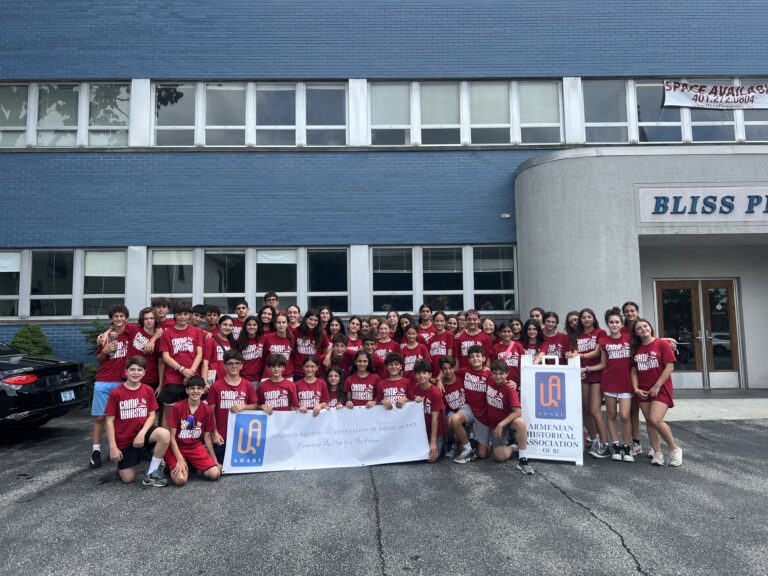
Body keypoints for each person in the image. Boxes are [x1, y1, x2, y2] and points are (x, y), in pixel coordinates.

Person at [104, 356, 170, 486]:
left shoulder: (148, 390)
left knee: (164, 434)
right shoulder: (116, 393)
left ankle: (152, 472)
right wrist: (113, 447)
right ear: (126, 372)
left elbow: (152, 415)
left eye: (139, 370)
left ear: (144, 372)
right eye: (132, 369)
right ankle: (124, 463)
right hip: (125, 440)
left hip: (142, 434)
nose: (136, 373)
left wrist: (142, 433)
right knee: (128, 479)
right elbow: (109, 422)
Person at [631, 319, 682, 467]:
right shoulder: (636, 349)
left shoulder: (661, 344)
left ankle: (674, 449)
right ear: (636, 332)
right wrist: (636, 389)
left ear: (650, 327)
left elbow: (669, 367)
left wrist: (657, 385)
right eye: (639, 328)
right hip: (643, 389)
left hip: (660, 388)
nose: (643, 329)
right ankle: (657, 452)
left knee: (655, 419)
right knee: (649, 422)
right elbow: (633, 371)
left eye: (645, 326)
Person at [89, 304, 132, 469]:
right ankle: (96, 451)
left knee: (120, 418)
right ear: (111, 319)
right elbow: (99, 360)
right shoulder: (105, 338)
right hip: (104, 380)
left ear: (126, 318)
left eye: (122, 316)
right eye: (116, 316)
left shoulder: (131, 333)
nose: (119, 319)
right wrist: (105, 350)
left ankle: (119, 447)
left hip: (122, 381)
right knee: (100, 417)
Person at [590, 307, 635, 462]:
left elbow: (648, 340)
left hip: (626, 383)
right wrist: (586, 368)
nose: (614, 325)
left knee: (624, 415)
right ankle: (615, 445)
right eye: (611, 322)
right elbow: (602, 363)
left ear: (621, 323)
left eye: (617, 322)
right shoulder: (603, 341)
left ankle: (627, 446)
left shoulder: (629, 338)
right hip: (609, 382)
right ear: (607, 324)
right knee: (611, 415)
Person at [567, 308, 609, 458]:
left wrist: (581, 354)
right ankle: (595, 439)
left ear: (593, 318)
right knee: (585, 410)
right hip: (583, 374)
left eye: (589, 317)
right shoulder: (577, 335)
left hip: (596, 373)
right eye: (583, 317)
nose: (586, 319)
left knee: (594, 410)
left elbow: (598, 352)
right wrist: (570, 355)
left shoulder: (600, 332)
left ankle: (605, 444)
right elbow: (572, 353)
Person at [165, 376, 221, 485]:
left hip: (195, 447)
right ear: (187, 390)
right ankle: (169, 465)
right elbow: (171, 437)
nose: (196, 391)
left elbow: (207, 437)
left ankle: (190, 464)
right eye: (192, 388)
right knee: (180, 480)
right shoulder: (178, 407)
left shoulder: (207, 410)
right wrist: (180, 459)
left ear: (203, 390)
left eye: (199, 388)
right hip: (177, 447)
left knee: (215, 474)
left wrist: (214, 459)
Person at [157, 300, 204, 427]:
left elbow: (199, 354)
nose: (182, 317)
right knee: (169, 413)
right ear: (175, 315)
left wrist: (191, 373)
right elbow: (165, 356)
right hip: (172, 379)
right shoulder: (167, 333)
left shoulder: (197, 331)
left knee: (190, 412)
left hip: (192, 379)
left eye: (185, 314)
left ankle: (188, 438)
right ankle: (166, 442)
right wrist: (183, 370)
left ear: (189, 315)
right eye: (179, 314)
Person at [206, 350, 257, 464]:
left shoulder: (247, 385)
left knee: (244, 465)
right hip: (222, 436)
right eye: (230, 363)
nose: (234, 366)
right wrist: (214, 433)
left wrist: (243, 406)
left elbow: (255, 406)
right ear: (224, 366)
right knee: (223, 465)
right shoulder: (216, 386)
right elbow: (210, 413)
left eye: (237, 363)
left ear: (241, 366)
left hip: (242, 436)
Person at [486, 359, 534, 474]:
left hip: (506, 422)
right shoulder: (488, 379)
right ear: (491, 373)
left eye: (501, 374)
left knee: (520, 422)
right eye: (495, 373)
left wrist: (501, 424)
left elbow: (517, 412)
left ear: (507, 374)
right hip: (494, 423)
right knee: (499, 457)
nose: (498, 376)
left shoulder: (509, 389)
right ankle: (516, 447)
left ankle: (523, 460)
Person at [448, 345, 491, 463]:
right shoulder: (465, 371)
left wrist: (511, 382)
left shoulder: (489, 374)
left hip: (484, 413)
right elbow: (449, 372)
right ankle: (467, 449)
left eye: (478, 356)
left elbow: (502, 381)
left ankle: (487, 444)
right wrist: (439, 381)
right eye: (472, 357)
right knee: (454, 419)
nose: (475, 358)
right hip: (469, 409)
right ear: (468, 359)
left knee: (483, 455)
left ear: (483, 358)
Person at [410, 360, 445, 463]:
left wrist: (433, 442)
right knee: (411, 454)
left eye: (424, 373)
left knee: (431, 459)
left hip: (435, 431)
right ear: (415, 375)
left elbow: (435, 419)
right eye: (418, 373)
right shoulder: (414, 389)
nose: (421, 376)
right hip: (421, 430)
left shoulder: (435, 392)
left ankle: (442, 444)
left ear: (430, 374)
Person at [126, 306, 163, 391]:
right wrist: (107, 332)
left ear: (155, 319)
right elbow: (118, 325)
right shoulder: (134, 329)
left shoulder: (159, 339)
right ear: (142, 320)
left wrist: (161, 383)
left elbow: (161, 362)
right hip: (131, 376)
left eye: (151, 318)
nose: (149, 321)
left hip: (150, 378)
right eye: (146, 319)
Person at [438, 356, 466, 459]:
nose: (448, 371)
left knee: (463, 450)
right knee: (450, 419)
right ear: (442, 370)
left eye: (450, 368)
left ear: (454, 368)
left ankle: (464, 441)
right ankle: (451, 443)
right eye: (445, 368)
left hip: (465, 412)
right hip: (452, 413)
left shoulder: (462, 378)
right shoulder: (441, 386)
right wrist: (439, 380)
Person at [293, 309, 331, 379]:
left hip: (314, 371)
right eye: (310, 319)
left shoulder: (322, 333)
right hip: (298, 370)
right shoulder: (297, 331)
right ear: (306, 319)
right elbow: (293, 349)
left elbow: (326, 350)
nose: (312, 322)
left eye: (315, 320)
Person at [201, 315, 236, 387]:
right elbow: (205, 363)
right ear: (219, 326)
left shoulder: (232, 343)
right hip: (213, 380)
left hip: (228, 380)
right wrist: (204, 382)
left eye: (230, 325)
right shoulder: (211, 341)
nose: (227, 327)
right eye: (225, 324)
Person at [491, 321, 526, 386]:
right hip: (500, 381)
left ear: (513, 333)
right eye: (504, 331)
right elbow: (493, 366)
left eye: (509, 331)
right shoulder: (495, 347)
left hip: (516, 382)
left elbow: (522, 365)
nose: (506, 334)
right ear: (499, 333)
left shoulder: (518, 346)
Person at [261, 312, 294, 380]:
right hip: (269, 375)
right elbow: (264, 355)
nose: (281, 325)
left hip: (287, 375)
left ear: (288, 324)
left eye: (284, 322)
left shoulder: (292, 338)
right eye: (279, 322)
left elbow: (293, 356)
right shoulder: (268, 337)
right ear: (275, 324)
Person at [235, 315, 264, 383]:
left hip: (257, 379)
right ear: (245, 326)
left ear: (258, 326)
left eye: (254, 325)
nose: (252, 327)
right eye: (249, 325)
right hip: (241, 377)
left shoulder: (263, 338)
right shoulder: (239, 341)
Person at [428, 311, 454, 377]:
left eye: (442, 321)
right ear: (433, 322)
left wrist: (441, 375)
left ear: (445, 322)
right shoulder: (431, 338)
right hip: (433, 372)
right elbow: (429, 359)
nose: (439, 323)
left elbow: (449, 356)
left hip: (444, 372)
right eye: (437, 321)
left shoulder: (449, 334)